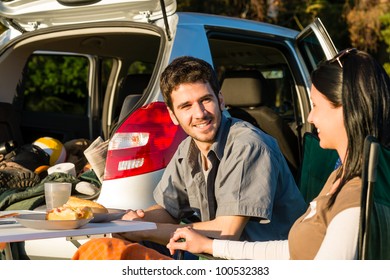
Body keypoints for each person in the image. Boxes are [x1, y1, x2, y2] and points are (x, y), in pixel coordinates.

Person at [72, 56, 306, 260]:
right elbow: (168, 210)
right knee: (105, 251)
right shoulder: (187, 149)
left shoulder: (248, 145)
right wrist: (125, 220)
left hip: (261, 261)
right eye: (186, 106)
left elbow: (227, 231)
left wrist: (143, 230)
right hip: (217, 256)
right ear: (173, 116)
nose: (200, 114)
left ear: (221, 101)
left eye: (205, 100)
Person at [166, 49, 390, 260]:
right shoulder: (340, 177)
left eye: (316, 106)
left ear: (347, 109)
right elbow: (292, 251)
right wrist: (210, 246)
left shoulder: (356, 199)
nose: (310, 117)